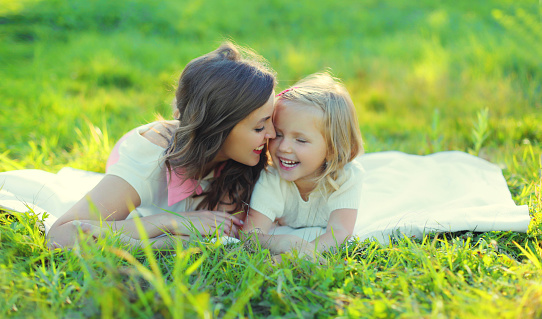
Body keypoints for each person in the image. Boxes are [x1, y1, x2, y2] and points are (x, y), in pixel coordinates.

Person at [46, 41, 277, 249]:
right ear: (219, 129)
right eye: (259, 127)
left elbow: (224, 235)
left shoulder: (242, 160)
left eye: (271, 121)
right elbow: (61, 235)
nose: (273, 134)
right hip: (159, 158)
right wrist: (170, 222)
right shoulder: (148, 159)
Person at [242, 72, 364, 258]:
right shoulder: (272, 178)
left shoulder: (346, 177)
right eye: (279, 134)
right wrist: (284, 242)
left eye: (300, 140)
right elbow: (250, 236)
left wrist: (299, 255)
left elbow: (340, 233)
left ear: (332, 149)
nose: (284, 147)